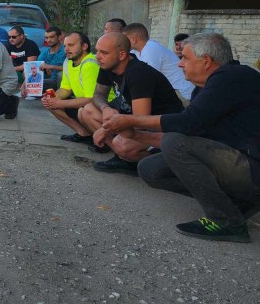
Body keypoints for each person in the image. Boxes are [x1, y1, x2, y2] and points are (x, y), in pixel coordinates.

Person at [102, 33, 260, 242]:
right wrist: (136, 135)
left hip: (253, 167)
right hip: (236, 163)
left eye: (184, 58)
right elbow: (189, 134)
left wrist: (132, 121)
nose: (179, 64)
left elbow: (186, 124)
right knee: (150, 170)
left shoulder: (232, 76)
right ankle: (238, 201)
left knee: (174, 142)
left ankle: (227, 220)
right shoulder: (205, 88)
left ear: (206, 61)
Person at [79, 32, 183, 175]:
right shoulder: (107, 66)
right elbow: (98, 95)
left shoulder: (138, 73)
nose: (97, 56)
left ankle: (160, 163)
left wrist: (105, 129)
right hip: (132, 117)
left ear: (121, 55)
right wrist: (105, 108)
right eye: (97, 51)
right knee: (87, 111)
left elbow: (140, 119)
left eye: (103, 52)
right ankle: (124, 158)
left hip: (160, 125)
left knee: (121, 145)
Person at [42, 32, 101, 143]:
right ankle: (84, 133)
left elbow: (91, 99)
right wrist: (52, 98)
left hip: (98, 106)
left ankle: (103, 141)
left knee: (83, 110)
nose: (66, 49)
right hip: (83, 104)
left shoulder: (89, 64)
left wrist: (59, 103)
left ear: (84, 47)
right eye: (65, 46)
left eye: (71, 45)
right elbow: (66, 89)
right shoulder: (68, 62)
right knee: (50, 103)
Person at [123, 23, 194, 102]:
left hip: (181, 95)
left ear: (133, 39)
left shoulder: (151, 49)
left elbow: (144, 80)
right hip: (172, 92)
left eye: (124, 39)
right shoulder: (139, 50)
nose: (122, 43)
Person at [36, 26, 65, 91]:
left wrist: (51, 67)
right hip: (48, 80)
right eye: (46, 38)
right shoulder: (44, 52)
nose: (48, 40)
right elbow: (36, 67)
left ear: (59, 37)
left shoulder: (66, 50)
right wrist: (24, 85)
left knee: (60, 75)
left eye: (51, 37)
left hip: (62, 81)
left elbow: (70, 68)